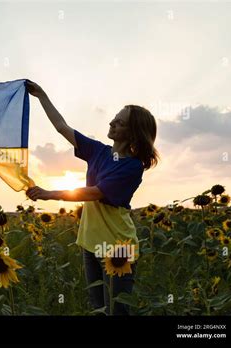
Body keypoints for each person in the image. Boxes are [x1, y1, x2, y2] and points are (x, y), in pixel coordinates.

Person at [25, 80, 159, 315]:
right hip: (90, 242)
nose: (112, 123)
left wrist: (49, 194)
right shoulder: (98, 150)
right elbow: (62, 127)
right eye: (114, 118)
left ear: (133, 132)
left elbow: (95, 192)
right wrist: (41, 96)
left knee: (117, 310)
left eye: (119, 122)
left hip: (118, 247)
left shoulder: (132, 167)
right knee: (98, 308)